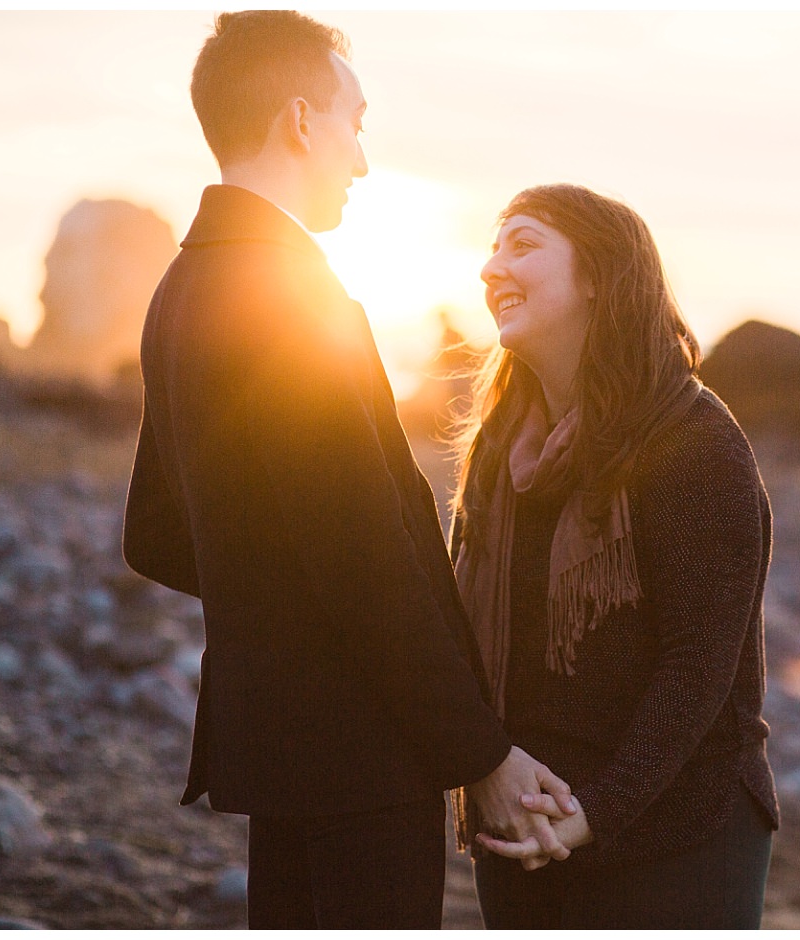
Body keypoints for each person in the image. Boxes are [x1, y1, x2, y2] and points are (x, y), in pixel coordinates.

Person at [121, 11, 573, 929]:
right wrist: (481, 755)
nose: (362, 158)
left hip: (276, 751)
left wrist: (268, 610)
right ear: (299, 120)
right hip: (362, 750)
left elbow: (157, 534)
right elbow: (366, 558)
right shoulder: (290, 292)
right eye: (354, 122)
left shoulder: (179, 289)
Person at [448, 183, 780, 929]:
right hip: (524, 817)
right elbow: (461, 631)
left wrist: (596, 812)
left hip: (679, 830)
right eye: (493, 247)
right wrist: (491, 771)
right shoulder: (501, 444)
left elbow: (699, 667)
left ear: (598, 274)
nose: (490, 268)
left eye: (522, 245)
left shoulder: (693, 441)